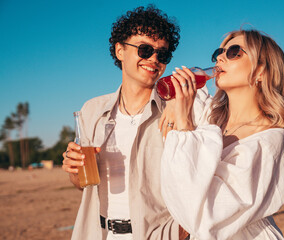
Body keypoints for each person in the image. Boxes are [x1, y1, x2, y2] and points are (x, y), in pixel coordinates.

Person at [62, 5, 203, 240]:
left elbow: (197, 177)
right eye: (145, 49)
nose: (154, 59)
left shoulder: (178, 110)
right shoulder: (92, 110)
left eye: (163, 54)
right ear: (120, 51)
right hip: (97, 233)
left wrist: (181, 232)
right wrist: (74, 169)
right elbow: (82, 183)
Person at [160, 29, 284, 239]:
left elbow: (206, 219)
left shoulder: (266, 142)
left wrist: (185, 124)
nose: (220, 57)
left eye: (234, 52)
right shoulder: (210, 117)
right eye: (218, 52)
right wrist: (173, 101)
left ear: (261, 70)